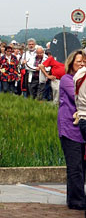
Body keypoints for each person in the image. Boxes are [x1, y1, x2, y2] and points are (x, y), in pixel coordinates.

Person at [58, 50, 86, 210]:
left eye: (84, 62)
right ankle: (76, 201)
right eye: (79, 61)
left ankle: (75, 197)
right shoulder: (67, 79)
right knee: (75, 165)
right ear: (71, 63)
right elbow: (77, 97)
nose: (82, 64)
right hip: (70, 127)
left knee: (82, 165)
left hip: (82, 127)